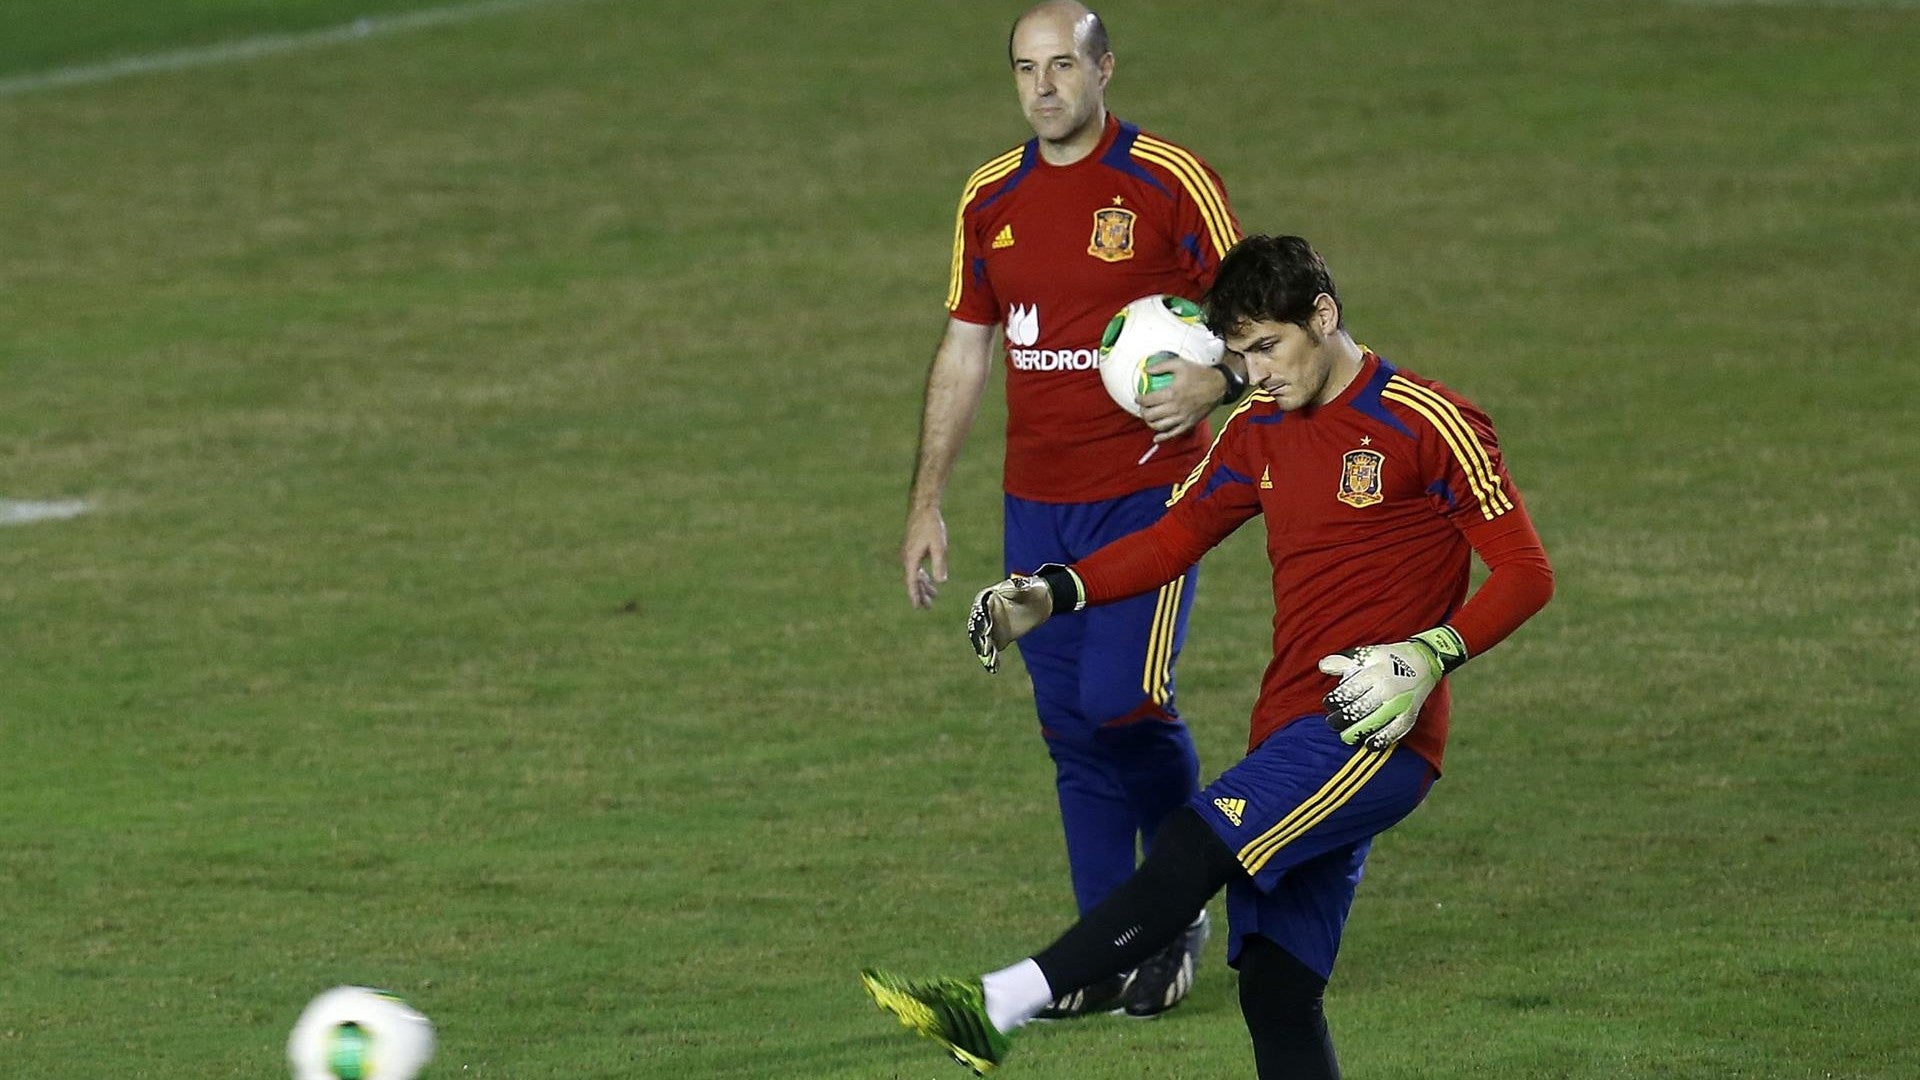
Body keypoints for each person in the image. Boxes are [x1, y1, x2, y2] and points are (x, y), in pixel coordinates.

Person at [862, 235, 1556, 1077]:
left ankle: (994, 1006)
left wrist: (1428, 654)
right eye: (1240, 354)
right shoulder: (1258, 431)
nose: (1256, 373)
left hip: (1374, 732)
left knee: (1194, 845)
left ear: (1324, 317)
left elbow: (1526, 572)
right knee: (1276, 988)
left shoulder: (1426, 421)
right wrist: (1053, 591)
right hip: (1287, 726)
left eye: (1269, 347)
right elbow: (1171, 540)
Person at [898, 0, 1247, 1020]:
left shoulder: (1169, 182)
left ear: (1104, 72)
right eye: (1024, 69)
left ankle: (1175, 908)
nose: (1042, 86)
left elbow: (1261, 314)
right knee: (1069, 728)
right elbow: (967, 349)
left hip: (1149, 495)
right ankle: (1101, 949)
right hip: (1034, 507)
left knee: (1123, 705)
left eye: (1061, 66)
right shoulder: (990, 197)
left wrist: (1219, 383)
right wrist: (927, 501)